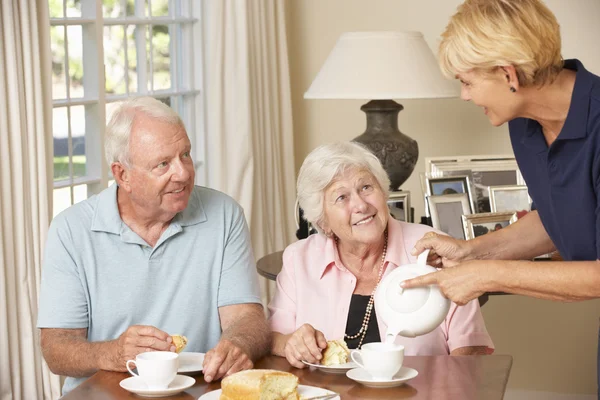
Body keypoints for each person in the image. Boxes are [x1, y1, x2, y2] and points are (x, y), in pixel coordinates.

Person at [400, 0, 600, 389]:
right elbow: (559, 216)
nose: (464, 96)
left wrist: (486, 275)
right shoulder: (525, 125)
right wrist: (470, 252)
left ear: (509, 74)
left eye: (467, 81)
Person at [37, 97, 270, 394]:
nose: (183, 173)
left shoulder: (225, 215)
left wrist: (238, 344)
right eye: (163, 164)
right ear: (123, 175)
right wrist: (113, 353)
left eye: (184, 154)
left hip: (197, 391)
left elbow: (246, 318)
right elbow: (56, 349)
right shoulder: (70, 230)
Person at [268, 142, 493, 368]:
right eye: (341, 197)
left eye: (366, 187)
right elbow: (272, 338)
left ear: (383, 191)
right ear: (323, 222)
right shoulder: (299, 260)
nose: (360, 205)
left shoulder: (432, 250)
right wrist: (291, 343)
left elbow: (472, 348)